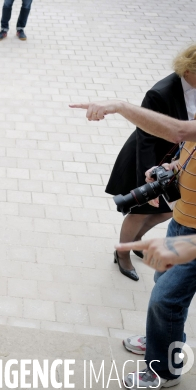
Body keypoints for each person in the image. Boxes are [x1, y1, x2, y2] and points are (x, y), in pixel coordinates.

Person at [70, 44, 196, 388]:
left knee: (165, 298)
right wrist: (171, 167)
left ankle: (164, 370)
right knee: (166, 288)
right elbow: (188, 145)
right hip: (185, 217)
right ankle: (163, 343)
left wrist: (120, 105)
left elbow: (181, 132)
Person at [106, 58, 192, 281]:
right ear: (189, 69)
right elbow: (145, 140)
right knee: (140, 211)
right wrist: (147, 180)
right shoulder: (161, 92)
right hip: (147, 157)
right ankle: (122, 252)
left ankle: (137, 238)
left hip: (178, 160)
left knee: (168, 209)